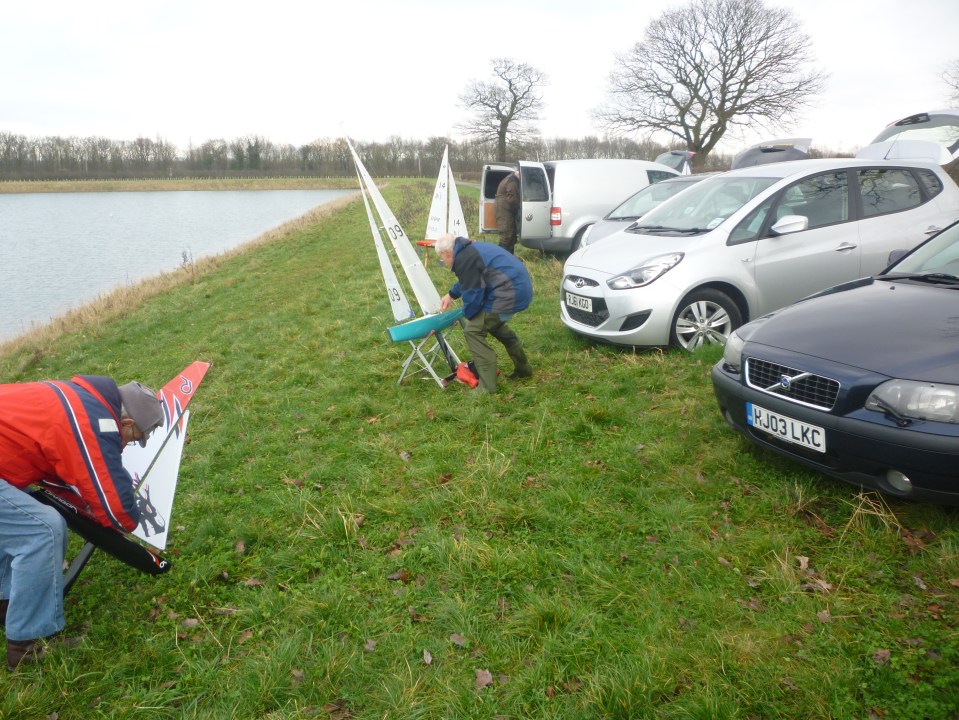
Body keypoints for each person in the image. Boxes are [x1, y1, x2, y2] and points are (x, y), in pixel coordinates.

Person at [0, 375, 163, 671]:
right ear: (125, 424)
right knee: (43, 530)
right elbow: (118, 510)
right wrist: (127, 518)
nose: (129, 444)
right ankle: (25, 646)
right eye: (136, 438)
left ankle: (7, 604)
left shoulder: (82, 400)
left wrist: (87, 507)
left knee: (17, 519)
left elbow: (55, 472)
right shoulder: (92, 423)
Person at [436, 234, 533, 393]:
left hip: (510, 293)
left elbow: (473, 294)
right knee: (493, 324)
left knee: (473, 330)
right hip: (518, 288)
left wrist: (467, 315)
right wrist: (451, 295)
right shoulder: (468, 251)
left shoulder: (465, 258)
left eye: (443, 259)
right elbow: (470, 277)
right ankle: (524, 369)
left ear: (447, 253)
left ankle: (487, 387)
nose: (444, 263)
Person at [494, 170, 521, 254]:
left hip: (506, 211)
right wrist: (521, 207)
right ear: (519, 174)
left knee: (512, 237)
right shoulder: (512, 182)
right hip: (504, 212)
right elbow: (512, 200)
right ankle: (500, 259)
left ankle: (509, 258)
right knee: (506, 236)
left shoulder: (510, 179)